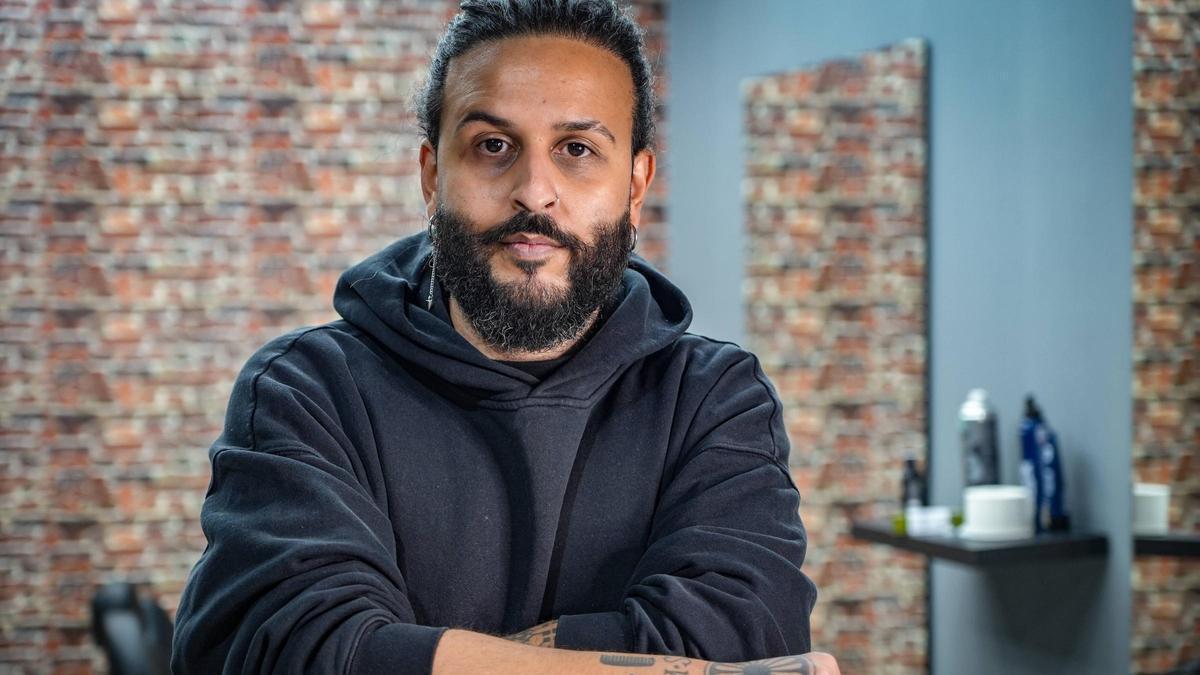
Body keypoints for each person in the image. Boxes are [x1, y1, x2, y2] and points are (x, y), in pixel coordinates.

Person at [172, 1, 838, 673]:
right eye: (493, 145)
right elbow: (286, 649)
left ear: (636, 185)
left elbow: (746, 633)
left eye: (577, 150)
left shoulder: (714, 398)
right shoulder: (308, 388)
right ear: (433, 175)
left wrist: (389, 653)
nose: (534, 191)